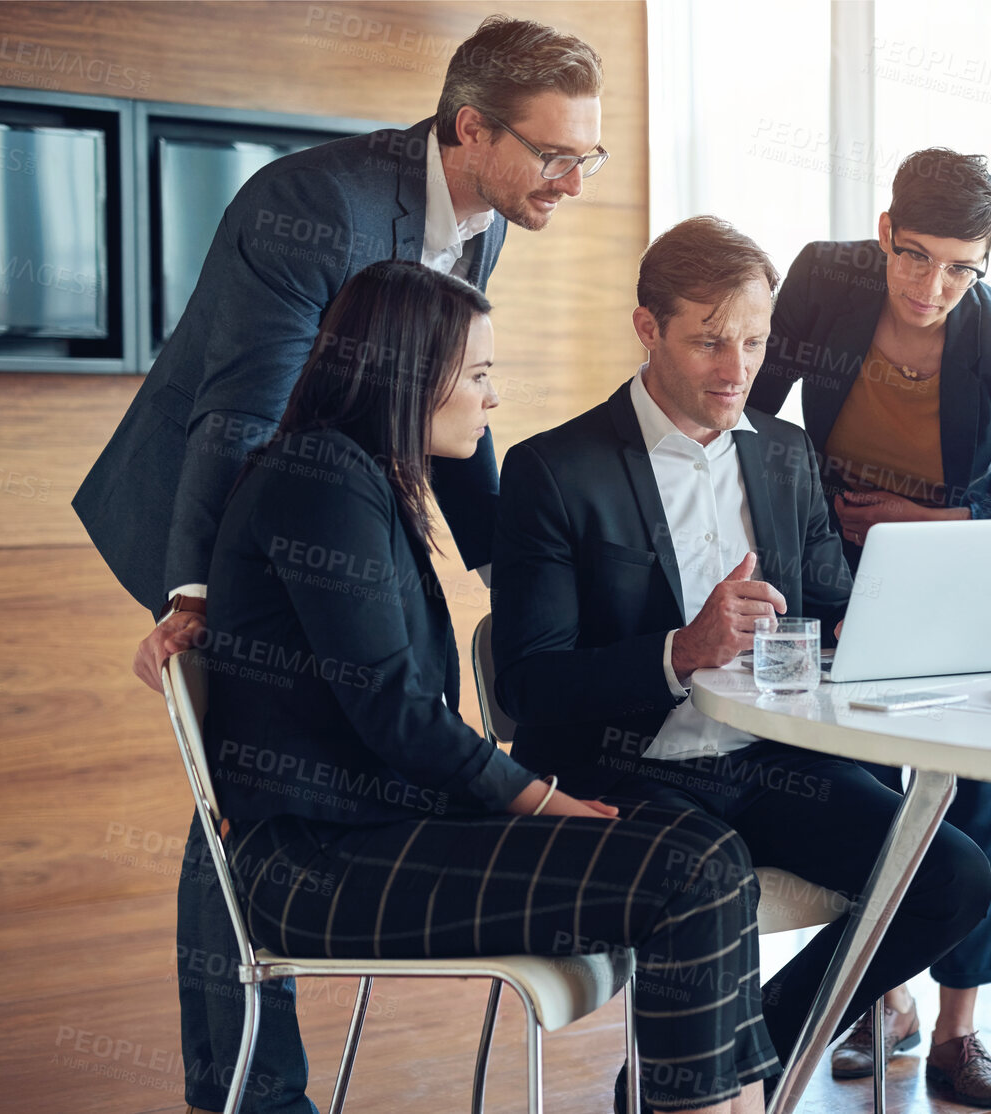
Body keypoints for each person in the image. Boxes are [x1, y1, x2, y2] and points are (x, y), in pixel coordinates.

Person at [70, 17, 608, 1113]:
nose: (574, 181)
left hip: (332, 520)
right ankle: (247, 1090)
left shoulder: (484, 214)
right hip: (217, 513)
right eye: (557, 156)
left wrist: (518, 566)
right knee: (244, 789)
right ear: (472, 128)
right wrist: (202, 597)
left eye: (587, 157)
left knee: (289, 770)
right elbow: (241, 414)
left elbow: (440, 391)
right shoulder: (316, 208)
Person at [208, 259, 773, 1114]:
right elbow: (399, 714)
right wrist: (542, 800)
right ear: (408, 373)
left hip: (372, 832)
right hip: (318, 865)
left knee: (707, 860)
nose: (490, 398)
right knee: (694, 872)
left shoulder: (358, 477)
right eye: (477, 374)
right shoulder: (322, 482)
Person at [489, 216, 991, 1108]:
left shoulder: (789, 454)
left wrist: (925, 625)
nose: (736, 370)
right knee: (711, 879)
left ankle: (737, 1057)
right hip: (630, 773)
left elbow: (837, 611)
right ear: (647, 329)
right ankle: (697, 1082)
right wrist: (681, 652)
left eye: (755, 343)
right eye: (709, 342)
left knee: (952, 877)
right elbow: (530, 685)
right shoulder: (553, 471)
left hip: (773, 767)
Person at [747, 147, 991, 1105]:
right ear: (885, 233)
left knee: (966, 784)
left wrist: (926, 523)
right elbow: (755, 414)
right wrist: (801, 519)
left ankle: (956, 1032)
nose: (933, 286)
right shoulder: (823, 277)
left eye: (961, 268)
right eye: (915, 256)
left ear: (987, 263)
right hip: (830, 549)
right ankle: (875, 998)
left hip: (954, 559)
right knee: (854, 779)